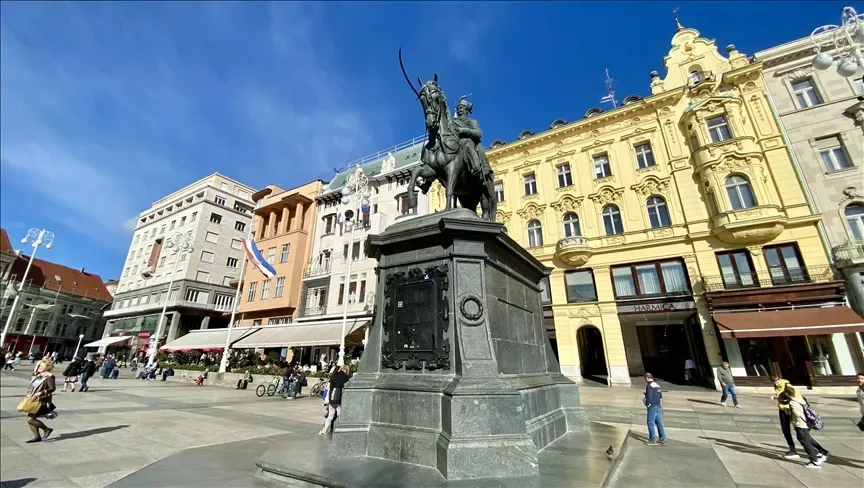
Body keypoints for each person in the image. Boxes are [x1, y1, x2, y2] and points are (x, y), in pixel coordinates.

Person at [778, 385, 829, 468]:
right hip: (804, 425)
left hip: (801, 425)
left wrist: (789, 413)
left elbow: (798, 414)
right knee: (805, 440)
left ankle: (815, 460)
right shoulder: (800, 400)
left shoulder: (793, 403)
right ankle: (819, 454)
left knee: (805, 442)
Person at [453, 96, 493, 180]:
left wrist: (464, 130)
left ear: (466, 110)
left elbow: (479, 133)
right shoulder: (453, 122)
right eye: (458, 108)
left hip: (468, 143)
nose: (459, 110)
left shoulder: (472, 122)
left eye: (461, 108)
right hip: (455, 142)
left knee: (468, 143)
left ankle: (476, 166)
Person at [24, 359, 56, 442]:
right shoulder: (39, 375)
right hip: (33, 399)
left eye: (41, 366)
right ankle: (37, 436)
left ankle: (46, 429)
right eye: (39, 366)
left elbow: (52, 388)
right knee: (31, 419)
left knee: (30, 419)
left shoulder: (49, 376)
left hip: (41, 400)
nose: (39, 367)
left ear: (47, 367)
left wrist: (41, 392)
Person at [771, 375, 802, 459]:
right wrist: (776, 396)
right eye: (774, 382)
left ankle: (818, 450)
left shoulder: (787, 385)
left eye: (776, 381)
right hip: (782, 410)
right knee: (785, 430)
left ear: (780, 379)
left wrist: (779, 398)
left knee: (800, 430)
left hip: (789, 409)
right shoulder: (777, 387)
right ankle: (792, 449)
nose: (776, 383)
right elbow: (781, 395)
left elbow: (793, 397)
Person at [320, 365, 350, 435]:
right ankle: (338, 429)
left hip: (332, 399)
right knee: (339, 415)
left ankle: (324, 430)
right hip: (339, 399)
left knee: (330, 416)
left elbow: (329, 387)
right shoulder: (345, 377)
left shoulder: (333, 376)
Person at [643, 373, 666, 446]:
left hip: (652, 406)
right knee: (659, 423)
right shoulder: (657, 385)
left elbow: (649, 396)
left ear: (647, 378)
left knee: (650, 422)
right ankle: (662, 439)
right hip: (658, 405)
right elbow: (660, 396)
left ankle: (652, 440)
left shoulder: (649, 386)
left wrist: (647, 403)